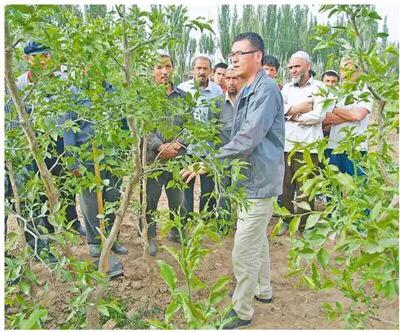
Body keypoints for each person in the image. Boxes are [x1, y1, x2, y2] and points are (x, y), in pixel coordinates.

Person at [181, 32, 284, 329]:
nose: (234, 58)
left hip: (259, 181)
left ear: (258, 57)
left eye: (241, 53)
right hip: (248, 180)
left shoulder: (265, 91)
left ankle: (241, 310)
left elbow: (248, 138)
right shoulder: (248, 89)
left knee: (243, 250)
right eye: (232, 53)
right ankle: (262, 290)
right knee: (257, 241)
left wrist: (209, 162)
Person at [61, 80, 128, 258]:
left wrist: (126, 152)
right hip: (87, 157)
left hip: (113, 156)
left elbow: (124, 123)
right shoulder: (73, 92)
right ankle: (94, 241)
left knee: (113, 198)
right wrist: (72, 161)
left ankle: (112, 238)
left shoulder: (114, 91)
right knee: (90, 202)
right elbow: (67, 128)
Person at [278, 51, 329, 236]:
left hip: (309, 147)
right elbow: (278, 111)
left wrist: (291, 116)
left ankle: (304, 225)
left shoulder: (320, 87)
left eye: (296, 66)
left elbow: (318, 115)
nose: (293, 70)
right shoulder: (287, 89)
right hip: (286, 146)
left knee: (306, 188)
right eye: (290, 67)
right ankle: (286, 220)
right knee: (284, 187)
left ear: (308, 66)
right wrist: (300, 111)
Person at [145, 51, 187, 255]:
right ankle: (150, 236)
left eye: (167, 66)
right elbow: (144, 128)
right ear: (152, 70)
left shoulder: (183, 97)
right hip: (153, 161)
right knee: (150, 200)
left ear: (173, 69)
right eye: (159, 67)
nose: (164, 71)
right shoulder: (145, 98)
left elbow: (190, 127)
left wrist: (176, 146)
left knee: (177, 199)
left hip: (176, 160)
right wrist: (161, 147)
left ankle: (177, 232)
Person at [178, 54, 223, 215]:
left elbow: (219, 119)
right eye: (198, 68)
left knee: (208, 188)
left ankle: (206, 218)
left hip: (208, 149)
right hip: (186, 148)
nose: (201, 72)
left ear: (210, 71)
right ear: (193, 70)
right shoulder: (182, 89)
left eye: (205, 68)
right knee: (185, 185)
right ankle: (187, 217)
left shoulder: (217, 91)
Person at [322, 58, 372, 175]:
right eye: (342, 69)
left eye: (348, 69)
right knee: (333, 187)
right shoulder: (337, 92)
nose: (344, 73)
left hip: (355, 148)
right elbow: (326, 118)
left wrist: (335, 109)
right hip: (334, 146)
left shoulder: (365, 91)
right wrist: (350, 115)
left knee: (358, 185)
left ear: (358, 70)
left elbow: (359, 115)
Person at [217, 65, 244, 229]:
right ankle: (223, 224)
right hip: (223, 156)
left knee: (242, 190)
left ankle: (242, 224)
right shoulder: (217, 103)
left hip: (244, 158)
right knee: (223, 191)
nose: (231, 82)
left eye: (235, 78)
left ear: (241, 79)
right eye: (228, 78)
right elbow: (211, 132)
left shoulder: (248, 102)